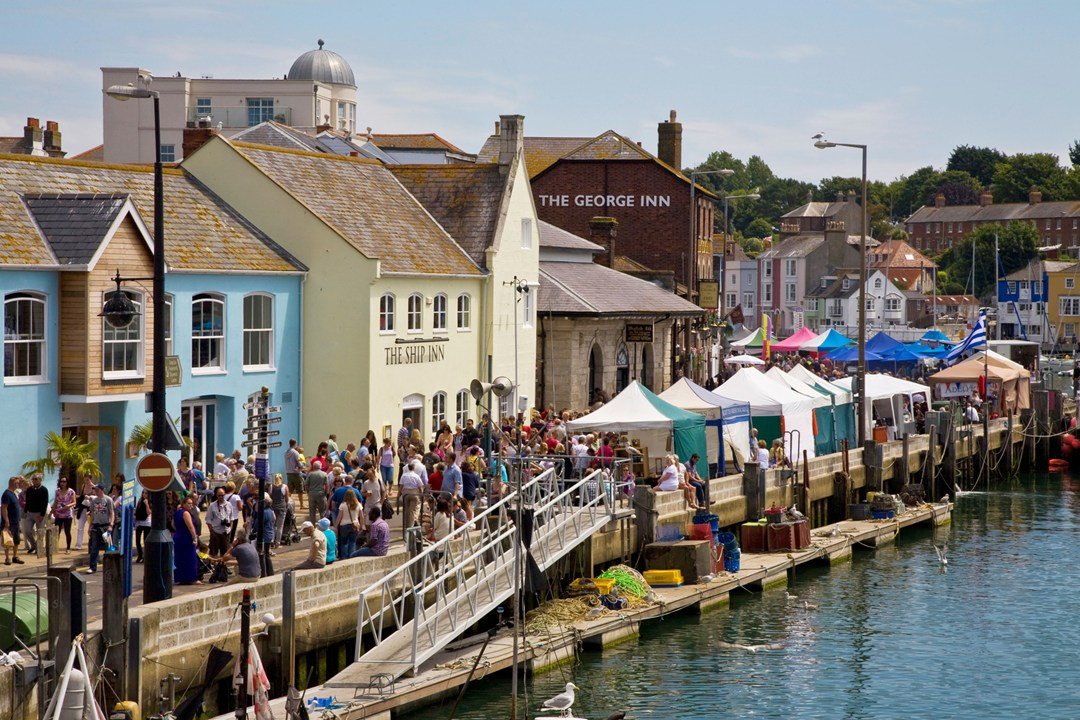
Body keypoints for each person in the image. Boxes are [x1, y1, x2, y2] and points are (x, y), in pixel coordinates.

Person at [87, 484, 114, 575]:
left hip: (105, 526)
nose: (96, 491)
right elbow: (92, 514)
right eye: (95, 490)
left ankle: (109, 566)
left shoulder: (108, 500)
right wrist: (90, 526)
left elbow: (111, 513)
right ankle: (92, 567)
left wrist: (111, 524)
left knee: (108, 547)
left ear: (103, 490)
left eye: (98, 490)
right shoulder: (94, 501)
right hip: (96, 526)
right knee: (94, 547)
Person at [173, 494, 201, 585]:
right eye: (189, 503)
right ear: (184, 504)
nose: (191, 505)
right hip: (186, 537)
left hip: (178, 536)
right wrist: (195, 537)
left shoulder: (177, 512)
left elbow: (173, 524)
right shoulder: (185, 513)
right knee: (190, 558)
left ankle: (181, 578)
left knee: (180, 558)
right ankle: (192, 578)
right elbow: (190, 526)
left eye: (191, 504)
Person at [334, 483, 362, 559]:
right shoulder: (358, 504)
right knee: (353, 542)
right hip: (355, 524)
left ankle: (344, 557)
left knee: (344, 543)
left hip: (344, 525)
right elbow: (362, 516)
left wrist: (335, 527)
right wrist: (362, 526)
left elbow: (339, 517)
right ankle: (351, 557)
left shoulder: (343, 505)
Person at [22, 473, 48, 555]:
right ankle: (34, 546)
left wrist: (42, 515)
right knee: (27, 531)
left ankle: (39, 548)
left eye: (36, 479)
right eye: (33, 479)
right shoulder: (29, 489)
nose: (34, 481)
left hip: (39, 513)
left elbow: (45, 503)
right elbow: (27, 501)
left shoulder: (44, 490)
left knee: (40, 532)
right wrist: (25, 511)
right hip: (30, 513)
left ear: (40, 480)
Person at [1, 476, 25, 565]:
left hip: (16, 521)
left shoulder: (14, 494)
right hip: (9, 521)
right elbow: (4, 508)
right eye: (17, 483)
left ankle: (15, 556)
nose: (18, 484)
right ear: (12, 483)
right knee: (7, 540)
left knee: (16, 540)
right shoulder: (6, 494)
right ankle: (7, 558)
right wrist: (6, 521)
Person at [399, 461, 426, 536]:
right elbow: (420, 486)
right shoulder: (416, 476)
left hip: (406, 494)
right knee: (412, 511)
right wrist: (421, 494)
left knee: (406, 510)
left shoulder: (404, 475)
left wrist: (398, 494)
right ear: (413, 468)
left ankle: (407, 525)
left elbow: (401, 486)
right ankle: (411, 526)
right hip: (414, 493)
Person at [51, 477, 76, 552]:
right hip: (58, 513)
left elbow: (74, 502)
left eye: (64, 481)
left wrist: (68, 506)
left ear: (67, 482)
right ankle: (55, 547)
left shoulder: (71, 491)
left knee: (67, 531)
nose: (63, 483)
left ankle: (68, 548)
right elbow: (56, 501)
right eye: (61, 481)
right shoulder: (57, 491)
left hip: (67, 514)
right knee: (56, 531)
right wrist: (52, 511)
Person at [284, 439, 305, 510]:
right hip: (296, 473)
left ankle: (286, 502)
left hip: (288, 472)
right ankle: (302, 505)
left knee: (290, 489)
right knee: (300, 489)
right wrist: (302, 467)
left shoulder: (286, 452)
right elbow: (299, 462)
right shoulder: (295, 452)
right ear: (295, 444)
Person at [270, 473, 289, 547]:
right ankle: (277, 542)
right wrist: (285, 504)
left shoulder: (271, 486)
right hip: (281, 507)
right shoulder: (284, 487)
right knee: (280, 526)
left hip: (273, 507)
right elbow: (287, 498)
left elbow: (270, 496)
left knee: (273, 525)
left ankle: (271, 540)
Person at [134, 490, 151, 563]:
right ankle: (140, 555)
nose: (144, 494)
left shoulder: (149, 502)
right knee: (137, 540)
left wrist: (147, 504)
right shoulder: (140, 501)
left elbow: (149, 512)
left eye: (146, 493)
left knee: (145, 540)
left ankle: (145, 556)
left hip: (147, 523)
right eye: (143, 493)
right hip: (139, 523)